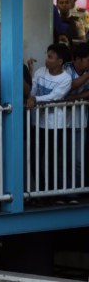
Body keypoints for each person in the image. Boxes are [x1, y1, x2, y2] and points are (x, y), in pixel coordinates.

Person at [25, 44, 72, 200]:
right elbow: (33, 90)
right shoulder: (40, 72)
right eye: (47, 55)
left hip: (54, 126)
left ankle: (50, 192)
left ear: (60, 61)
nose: (47, 60)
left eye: (51, 57)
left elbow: (55, 96)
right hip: (36, 123)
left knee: (51, 159)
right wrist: (31, 96)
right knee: (34, 157)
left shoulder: (66, 78)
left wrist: (35, 99)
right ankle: (39, 190)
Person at [64, 43, 89, 200]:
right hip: (61, 123)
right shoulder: (66, 69)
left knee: (78, 160)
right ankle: (63, 191)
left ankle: (75, 192)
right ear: (78, 59)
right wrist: (86, 77)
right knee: (62, 159)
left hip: (80, 122)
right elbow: (66, 89)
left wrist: (74, 98)